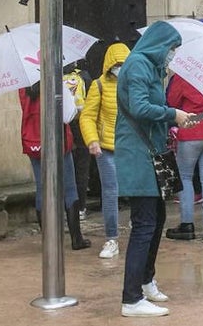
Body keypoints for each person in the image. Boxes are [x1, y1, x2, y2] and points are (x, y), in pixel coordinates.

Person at [112, 21, 196, 318]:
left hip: (148, 153)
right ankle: (131, 299)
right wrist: (174, 114)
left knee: (156, 219)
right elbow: (138, 107)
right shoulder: (137, 66)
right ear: (161, 45)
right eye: (172, 48)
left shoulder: (150, 67)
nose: (173, 54)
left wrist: (173, 116)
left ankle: (146, 281)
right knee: (144, 224)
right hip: (138, 156)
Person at [19, 81, 91, 251]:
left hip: (34, 141)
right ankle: (76, 238)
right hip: (58, 140)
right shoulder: (55, 82)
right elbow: (68, 114)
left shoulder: (23, 88)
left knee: (42, 188)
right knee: (70, 189)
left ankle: (48, 241)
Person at [79, 42, 130, 259]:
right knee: (111, 192)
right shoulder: (98, 85)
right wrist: (92, 140)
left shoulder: (134, 84)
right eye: (116, 63)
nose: (119, 67)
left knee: (137, 191)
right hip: (106, 148)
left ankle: (139, 233)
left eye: (123, 64)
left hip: (130, 147)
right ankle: (112, 238)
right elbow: (88, 116)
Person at [165, 76, 203, 242]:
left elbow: (172, 100)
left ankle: (187, 225)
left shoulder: (184, 75)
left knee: (184, 176)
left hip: (193, 124)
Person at [64, 62, 91, 222]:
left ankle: (67, 206)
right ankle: (80, 207)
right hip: (81, 125)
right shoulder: (84, 76)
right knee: (82, 168)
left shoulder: (54, 76)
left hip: (63, 126)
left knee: (66, 168)